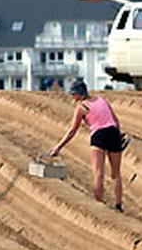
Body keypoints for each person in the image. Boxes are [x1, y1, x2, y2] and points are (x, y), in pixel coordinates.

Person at [49, 80, 125, 211]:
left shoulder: (82, 108)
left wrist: (58, 147)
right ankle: (118, 205)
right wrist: (118, 136)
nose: (72, 97)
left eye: (73, 94)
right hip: (113, 133)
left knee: (98, 173)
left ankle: (99, 205)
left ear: (79, 94)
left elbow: (73, 130)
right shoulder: (102, 100)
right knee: (116, 174)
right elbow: (116, 121)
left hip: (99, 136)